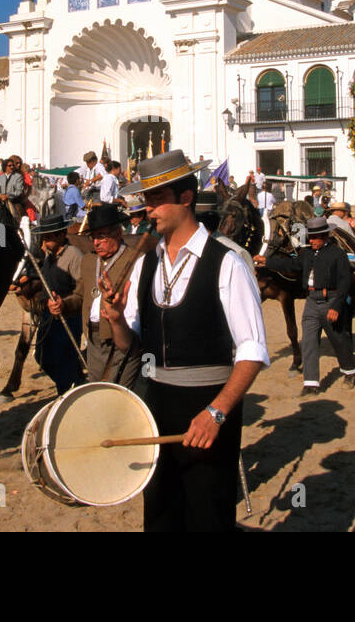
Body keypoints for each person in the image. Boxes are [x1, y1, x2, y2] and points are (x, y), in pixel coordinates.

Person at [101, 149, 269, 532]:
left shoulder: (227, 263)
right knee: (160, 515)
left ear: (186, 198)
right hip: (155, 412)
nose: (148, 210)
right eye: (145, 200)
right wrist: (115, 322)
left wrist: (216, 413)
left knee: (207, 516)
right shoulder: (145, 264)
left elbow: (252, 351)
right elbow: (133, 346)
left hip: (209, 415)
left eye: (156, 200)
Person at [258, 215, 355, 394]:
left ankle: (349, 371)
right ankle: (311, 384)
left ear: (324, 237)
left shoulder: (337, 255)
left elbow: (344, 282)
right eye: (310, 237)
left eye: (315, 237)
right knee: (309, 342)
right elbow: (292, 264)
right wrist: (268, 261)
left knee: (338, 339)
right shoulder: (307, 253)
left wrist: (336, 306)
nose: (311, 241)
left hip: (330, 300)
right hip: (312, 301)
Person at [81, 203, 143, 389]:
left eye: (101, 236)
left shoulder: (135, 261)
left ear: (117, 233)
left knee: (119, 392)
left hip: (121, 338)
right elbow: (79, 295)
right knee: (96, 391)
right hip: (93, 337)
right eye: (93, 237)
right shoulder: (89, 260)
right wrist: (63, 305)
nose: (96, 242)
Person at [25, 211, 86, 394]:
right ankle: (75, 381)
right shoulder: (48, 257)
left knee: (63, 361)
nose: (45, 241)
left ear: (61, 235)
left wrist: (64, 304)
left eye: (50, 236)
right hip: (47, 316)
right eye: (44, 237)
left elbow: (81, 290)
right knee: (42, 358)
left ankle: (66, 393)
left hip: (68, 317)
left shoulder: (74, 255)